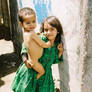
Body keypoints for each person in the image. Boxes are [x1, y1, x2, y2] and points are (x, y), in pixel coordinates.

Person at [11, 16, 63, 92]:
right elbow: (25, 46)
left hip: (45, 77)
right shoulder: (39, 39)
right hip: (31, 72)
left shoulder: (56, 45)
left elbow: (53, 60)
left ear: (57, 31)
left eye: (52, 29)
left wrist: (60, 51)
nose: (48, 32)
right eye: (46, 30)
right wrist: (25, 60)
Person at [18, 7, 52, 80]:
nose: (32, 25)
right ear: (21, 24)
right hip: (34, 62)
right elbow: (42, 44)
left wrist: (37, 34)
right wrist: (48, 44)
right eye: (28, 23)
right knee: (42, 72)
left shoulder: (26, 32)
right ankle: (33, 82)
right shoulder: (32, 33)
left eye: (33, 21)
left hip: (31, 59)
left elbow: (31, 41)